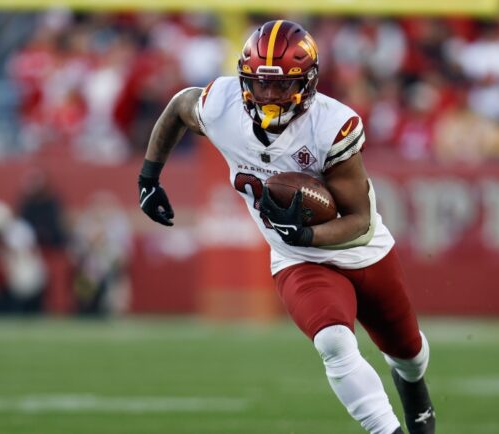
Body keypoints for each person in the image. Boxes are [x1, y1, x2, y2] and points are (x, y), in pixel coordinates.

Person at [136, 20, 435, 434]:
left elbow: (359, 220)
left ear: (308, 82)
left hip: (361, 250)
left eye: (282, 85)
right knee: (333, 342)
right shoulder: (222, 105)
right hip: (298, 259)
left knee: (409, 353)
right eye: (261, 84)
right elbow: (178, 108)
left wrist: (308, 232)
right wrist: (149, 178)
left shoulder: (331, 125)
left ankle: (416, 392)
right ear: (245, 80)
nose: (271, 95)